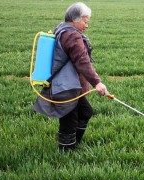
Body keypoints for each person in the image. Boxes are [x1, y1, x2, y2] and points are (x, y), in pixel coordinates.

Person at [33, 2, 108, 151]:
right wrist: (97, 83)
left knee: (85, 111)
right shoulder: (71, 35)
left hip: (71, 85)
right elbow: (82, 61)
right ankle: (66, 151)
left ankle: (75, 144)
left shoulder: (63, 29)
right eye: (85, 21)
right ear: (75, 19)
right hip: (66, 86)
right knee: (69, 118)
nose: (87, 25)